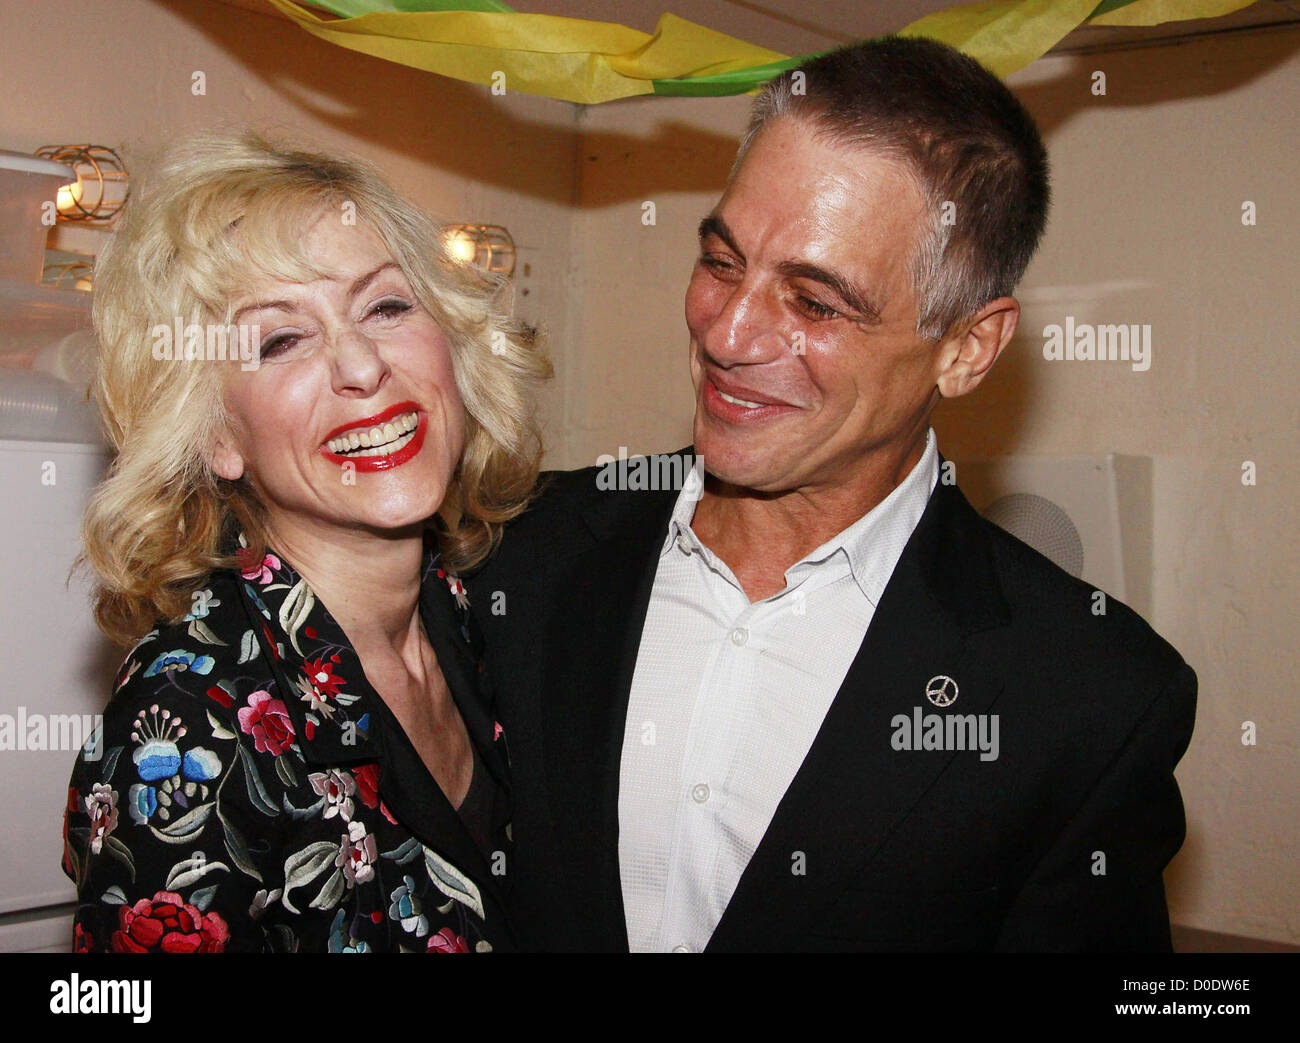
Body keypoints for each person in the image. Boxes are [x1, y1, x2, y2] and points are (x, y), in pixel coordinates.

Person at [468, 36, 1197, 952]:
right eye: (723, 262)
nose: (728, 334)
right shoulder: (512, 551)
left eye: (816, 304)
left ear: (967, 347)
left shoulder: (1091, 698)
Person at [61, 131, 549, 952]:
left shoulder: (483, 604)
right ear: (215, 436)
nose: (361, 365)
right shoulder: (188, 726)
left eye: (386, 306)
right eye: (279, 340)